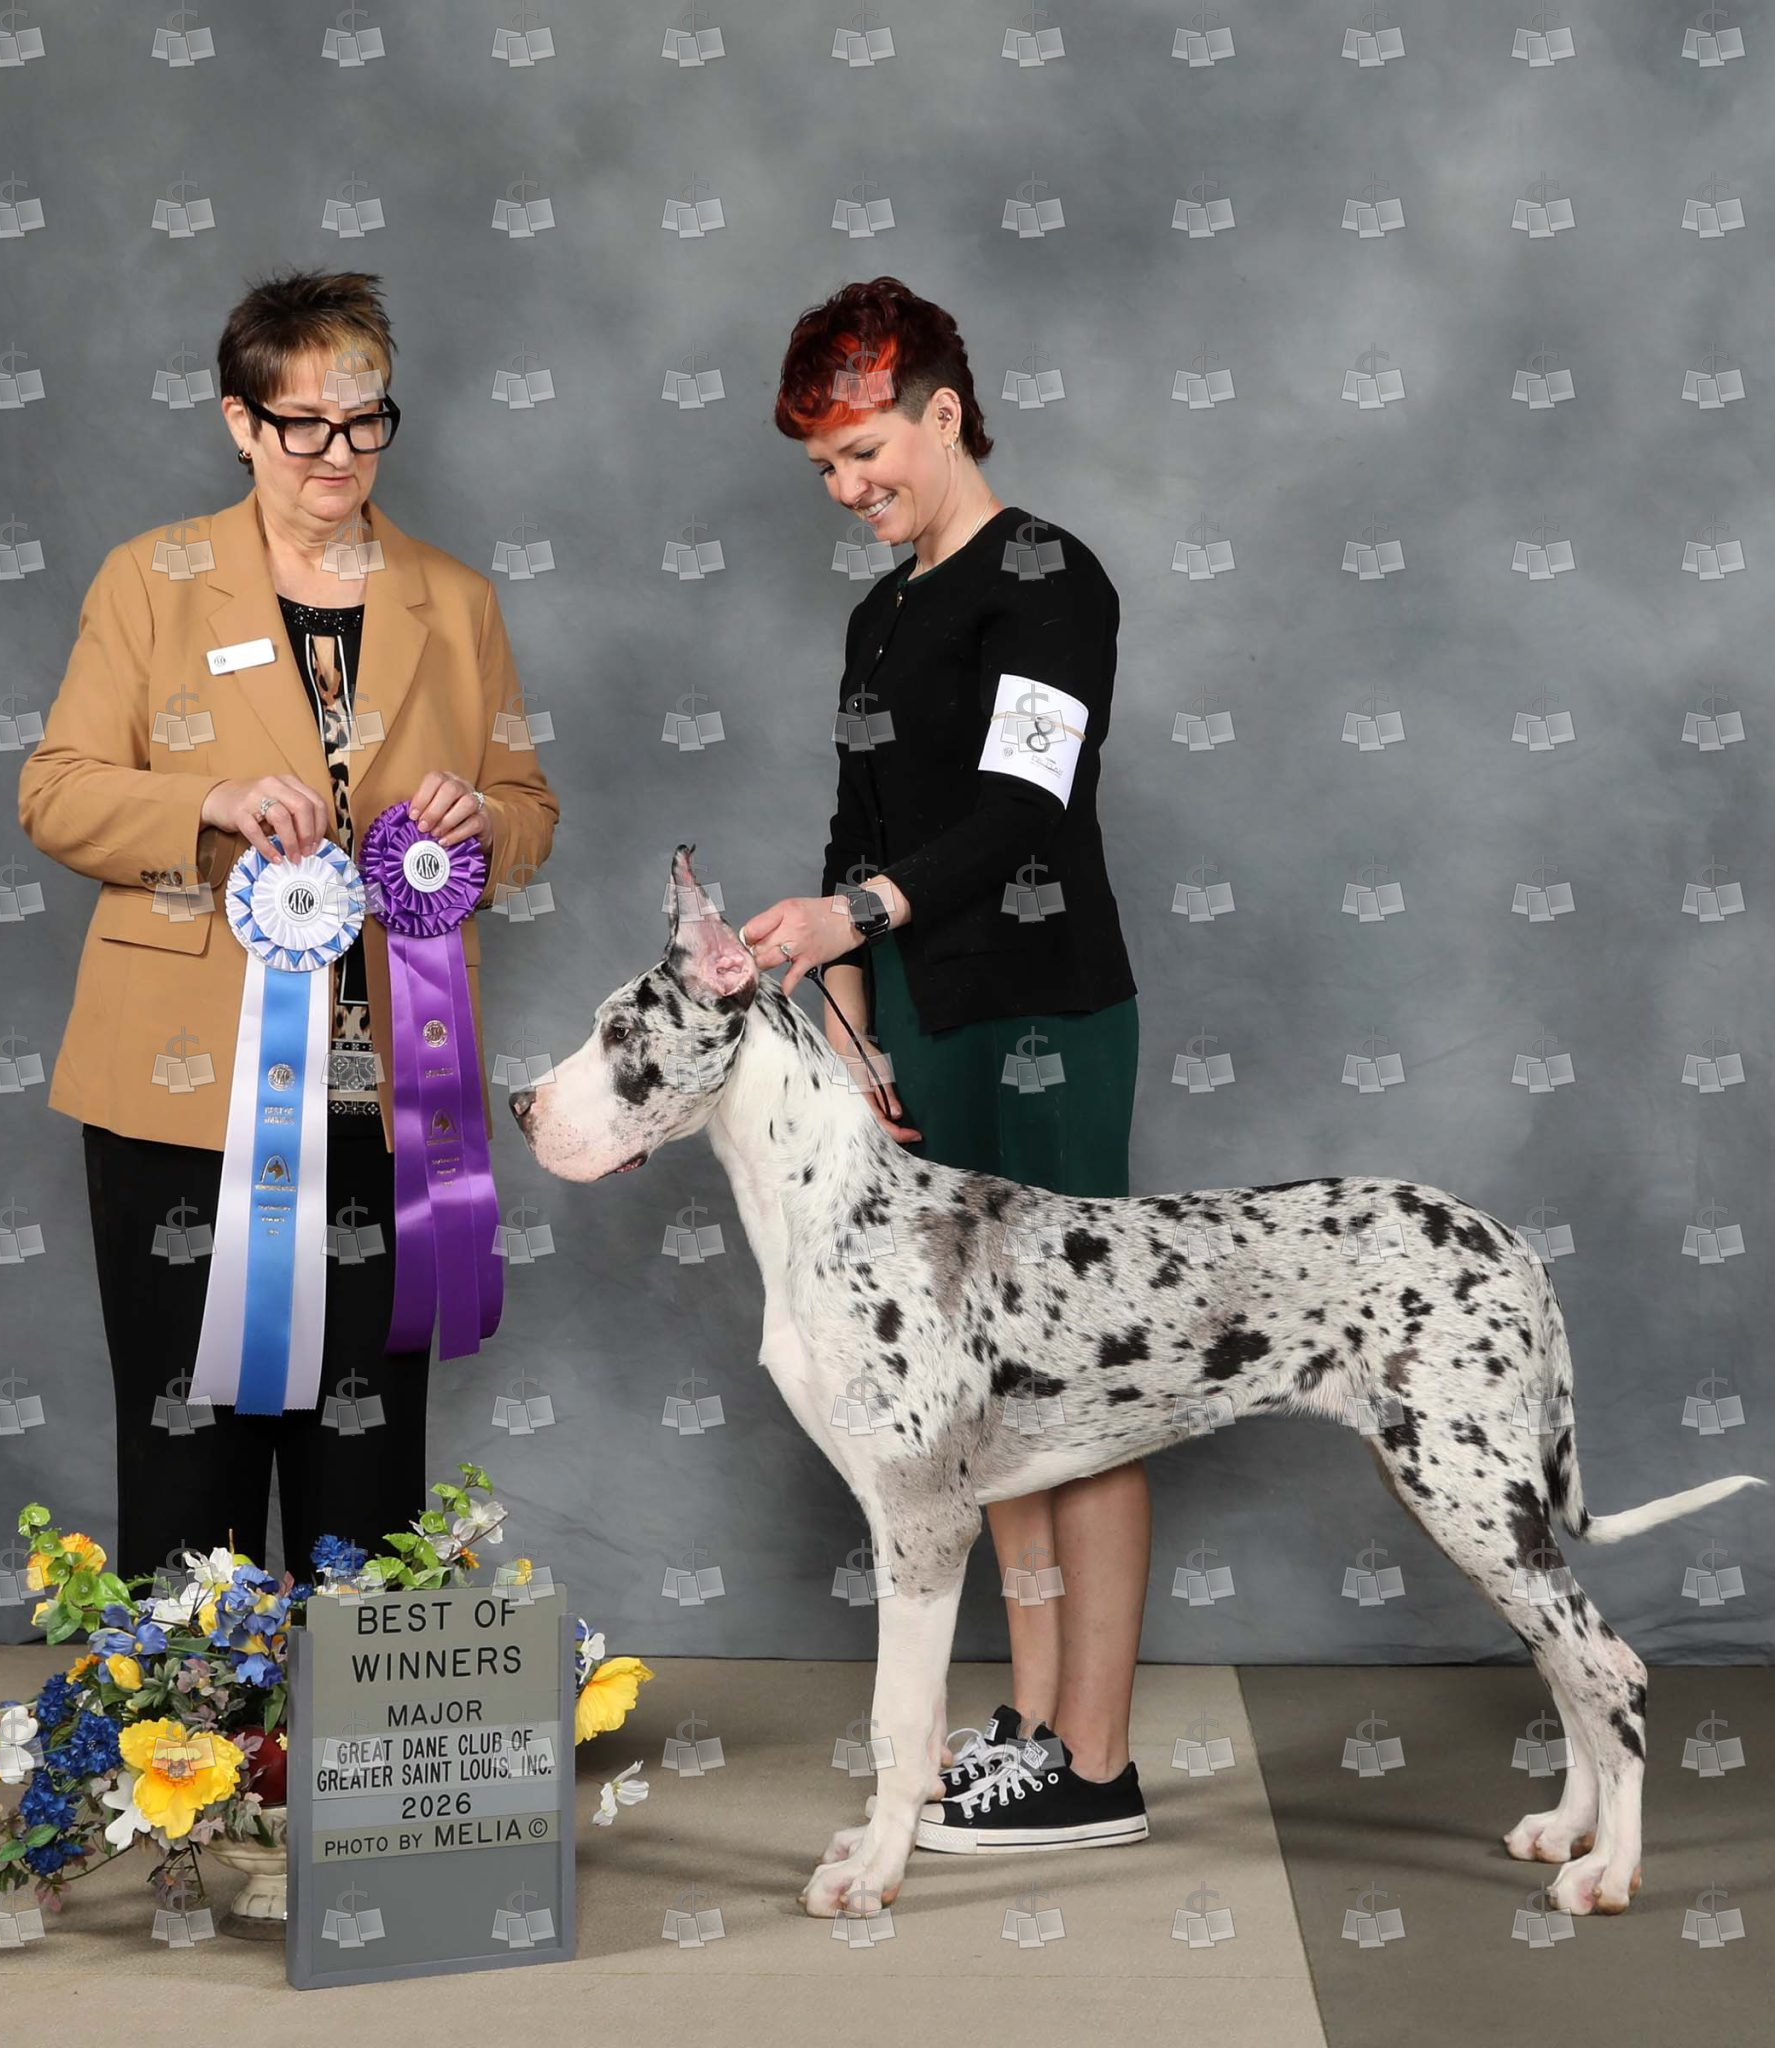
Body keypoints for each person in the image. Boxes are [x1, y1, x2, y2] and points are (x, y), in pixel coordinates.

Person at [18, 267, 559, 1596]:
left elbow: (530, 810)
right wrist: (202, 802)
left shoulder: (455, 599)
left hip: (394, 1087)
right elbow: (55, 791)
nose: (337, 452)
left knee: (364, 1463)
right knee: (187, 1446)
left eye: (365, 419)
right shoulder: (150, 580)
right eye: (303, 422)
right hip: (179, 1087)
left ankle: (352, 1716)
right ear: (239, 423)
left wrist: (478, 821)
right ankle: (186, 1713)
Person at [739, 277, 1150, 1854]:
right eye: (824, 470)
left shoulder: (1047, 574)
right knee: (984, 1388)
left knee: (1079, 1379)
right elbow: (852, 838)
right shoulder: (880, 615)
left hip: (1040, 1015)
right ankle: (1033, 1722)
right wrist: (852, 1024)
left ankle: (1098, 1759)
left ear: (946, 413)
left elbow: (1026, 812)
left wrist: (855, 917)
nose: (848, 490)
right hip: (914, 1014)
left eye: (865, 453)